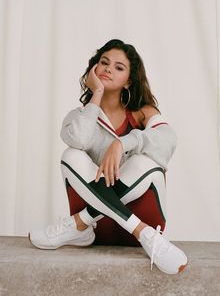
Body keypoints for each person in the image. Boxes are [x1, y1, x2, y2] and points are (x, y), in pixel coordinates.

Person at [29, 39, 188, 274]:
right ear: (94, 68)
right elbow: (80, 140)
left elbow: (169, 140)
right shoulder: (79, 116)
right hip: (99, 231)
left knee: (146, 162)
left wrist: (122, 142)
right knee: (71, 154)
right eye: (104, 63)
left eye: (119, 67)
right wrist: (97, 94)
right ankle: (137, 230)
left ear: (129, 82)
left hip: (139, 218)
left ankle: (80, 222)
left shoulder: (143, 113)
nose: (108, 69)